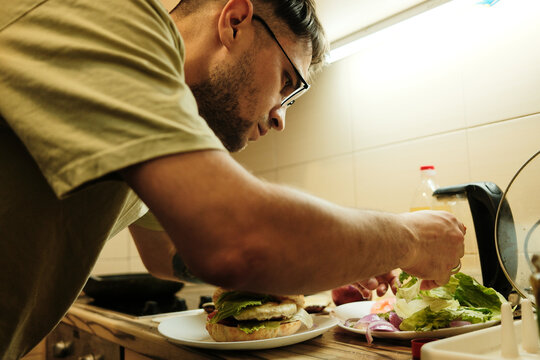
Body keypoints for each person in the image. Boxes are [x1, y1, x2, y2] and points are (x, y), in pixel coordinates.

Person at [0, 0, 465, 358]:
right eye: (287, 83)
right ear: (237, 19)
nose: (282, 118)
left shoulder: (148, 115)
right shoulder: (113, 20)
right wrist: (408, 238)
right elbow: (237, 238)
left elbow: (172, 255)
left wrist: (334, 256)